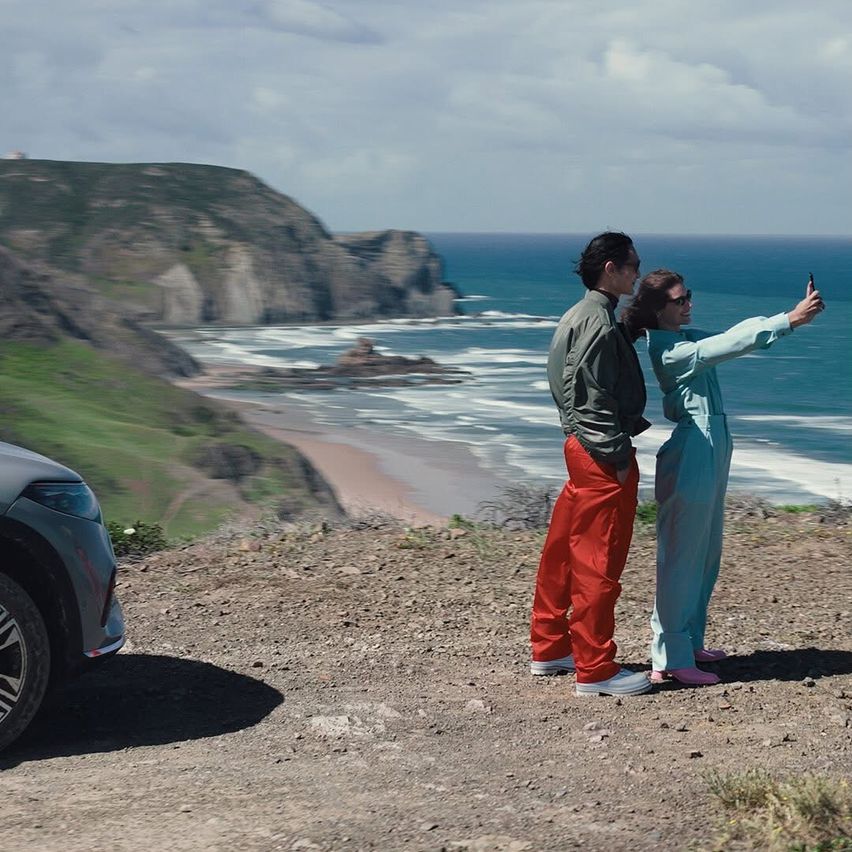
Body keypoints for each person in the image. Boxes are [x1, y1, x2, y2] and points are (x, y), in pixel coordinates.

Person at [621, 270, 825, 685]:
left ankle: (690, 641)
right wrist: (790, 320)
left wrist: (789, 317)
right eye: (680, 300)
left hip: (712, 444)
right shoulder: (670, 351)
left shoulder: (684, 338)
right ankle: (670, 657)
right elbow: (730, 344)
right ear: (659, 310)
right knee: (681, 557)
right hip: (693, 447)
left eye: (688, 296)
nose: (688, 304)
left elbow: (736, 333)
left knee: (706, 553)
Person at [530, 232, 652, 697]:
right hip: (599, 449)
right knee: (599, 559)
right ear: (610, 268)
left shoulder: (584, 315)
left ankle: (550, 647)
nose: (638, 273)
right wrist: (616, 453)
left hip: (580, 446)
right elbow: (589, 396)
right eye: (632, 265)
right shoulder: (597, 322)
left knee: (564, 550)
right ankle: (596, 669)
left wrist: (630, 330)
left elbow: (574, 380)